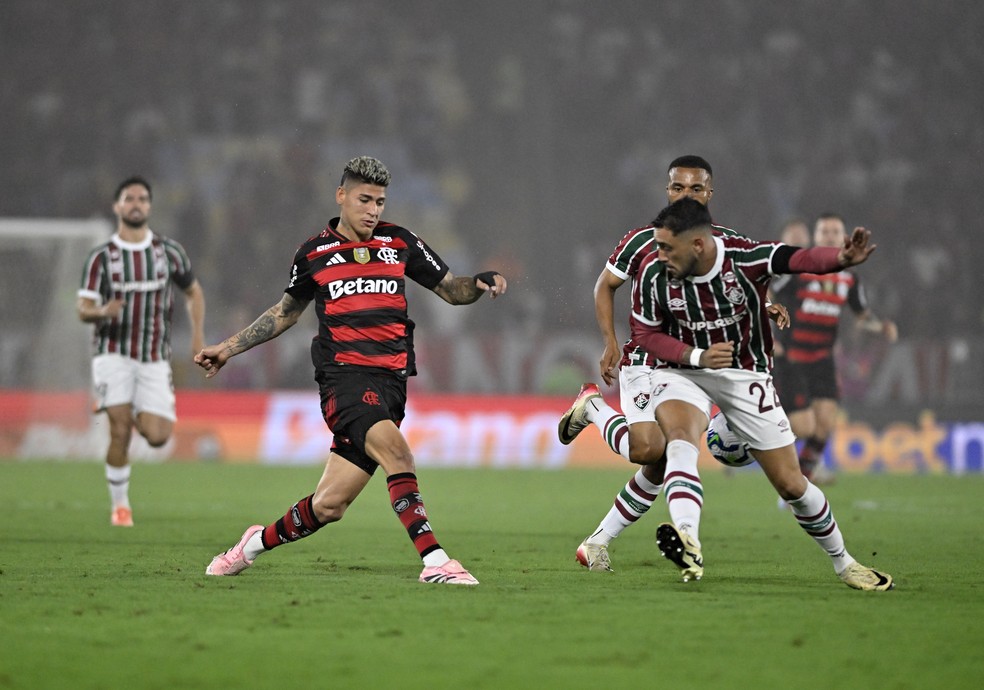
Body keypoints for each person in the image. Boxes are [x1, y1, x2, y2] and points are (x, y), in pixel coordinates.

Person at [196, 156, 507, 585]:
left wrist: (478, 282)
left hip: (392, 382)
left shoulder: (400, 242)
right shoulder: (314, 253)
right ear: (341, 196)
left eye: (379, 201)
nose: (373, 209)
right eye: (364, 199)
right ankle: (436, 561)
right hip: (343, 378)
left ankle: (249, 546)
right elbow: (284, 314)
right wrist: (227, 349)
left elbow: (451, 290)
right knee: (398, 453)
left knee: (329, 507)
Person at [631, 197, 893, 590]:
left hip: (745, 375)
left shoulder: (745, 258)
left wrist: (840, 259)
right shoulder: (653, 272)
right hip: (684, 369)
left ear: (698, 245)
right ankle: (688, 538)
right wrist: (696, 355)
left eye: (668, 247)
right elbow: (646, 335)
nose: (660, 254)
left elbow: (800, 259)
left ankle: (845, 562)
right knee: (680, 438)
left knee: (791, 484)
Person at [559, 156, 788, 571]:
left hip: (693, 369)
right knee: (648, 449)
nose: (687, 195)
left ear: (709, 194)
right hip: (647, 359)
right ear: (667, 191)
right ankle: (592, 408)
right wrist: (610, 340)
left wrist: (767, 305)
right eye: (678, 188)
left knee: (662, 461)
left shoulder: (725, 242)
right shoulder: (642, 241)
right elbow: (605, 286)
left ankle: (596, 543)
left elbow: (744, 285)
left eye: (696, 189)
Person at [77, 176, 206, 527]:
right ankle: (121, 506)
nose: (136, 203)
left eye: (143, 198)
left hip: (153, 357)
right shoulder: (101, 257)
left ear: (149, 206)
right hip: (112, 352)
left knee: (158, 435)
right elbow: (82, 308)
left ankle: (125, 403)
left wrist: (197, 337)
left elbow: (193, 292)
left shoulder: (168, 252)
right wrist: (103, 312)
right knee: (119, 431)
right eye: (129, 198)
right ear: (117, 206)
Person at [771, 213, 898, 483]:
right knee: (804, 427)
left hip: (823, 359)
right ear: (815, 237)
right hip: (792, 358)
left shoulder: (850, 280)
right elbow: (765, 293)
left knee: (826, 422)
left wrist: (882, 327)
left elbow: (863, 316)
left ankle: (802, 479)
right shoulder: (796, 271)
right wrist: (769, 335)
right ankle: (756, 432)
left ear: (844, 237)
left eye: (835, 231)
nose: (829, 236)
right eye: (824, 231)